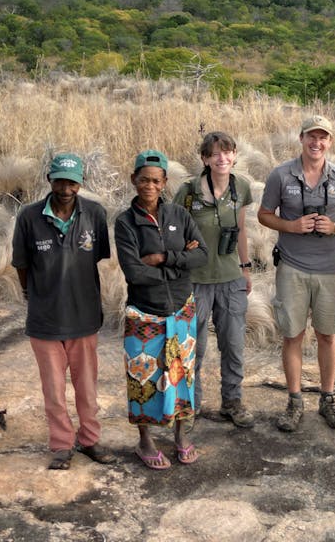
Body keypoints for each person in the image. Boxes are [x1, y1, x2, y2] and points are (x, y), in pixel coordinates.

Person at [11, 153, 117, 470]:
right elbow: (21, 264)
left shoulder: (95, 214)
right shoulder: (29, 217)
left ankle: (89, 441)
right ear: (49, 180)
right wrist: (33, 294)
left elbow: (96, 258)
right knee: (54, 391)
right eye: (60, 180)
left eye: (72, 182)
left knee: (87, 388)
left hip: (84, 318)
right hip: (44, 320)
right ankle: (61, 445)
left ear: (81, 183)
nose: (65, 188)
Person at [258, 115, 335, 432]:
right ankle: (294, 401)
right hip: (292, 267)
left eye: (323, 138)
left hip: (330, 269)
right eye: (311, 137)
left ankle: (327, 398)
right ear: (301, 138)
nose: (317, 143)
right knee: (292, 335)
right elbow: (263, 214)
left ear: (330, 142)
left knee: (327, 335)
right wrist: (290, 226)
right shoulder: (281, 175)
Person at [115, 149, 208, 469]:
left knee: (183, 376)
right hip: (144, 313)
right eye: (143, 180)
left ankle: (181, 436)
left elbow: (202, 256)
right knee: (143, 379)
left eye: (156, 180)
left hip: (181, 310)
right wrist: (181, 261)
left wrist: (164, 258)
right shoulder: (126, 222)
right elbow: (134, 273)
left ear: (165, 182)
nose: (149, 186)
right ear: (133, 181)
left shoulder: (180, 217)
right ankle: (145, 441)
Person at [173, 131, 256, 428]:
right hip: (195, 280)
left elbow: (242, 229)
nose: (222, 158)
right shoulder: (188, 191)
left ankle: (232, 401)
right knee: (194, 346)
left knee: (233, 343)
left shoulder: (242, 187)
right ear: (205, 159)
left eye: (227, 152)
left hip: (231, 278)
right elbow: (173, 232)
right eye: (214, 154)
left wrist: (246, 268)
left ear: (234, 155)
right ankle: (190, 404)